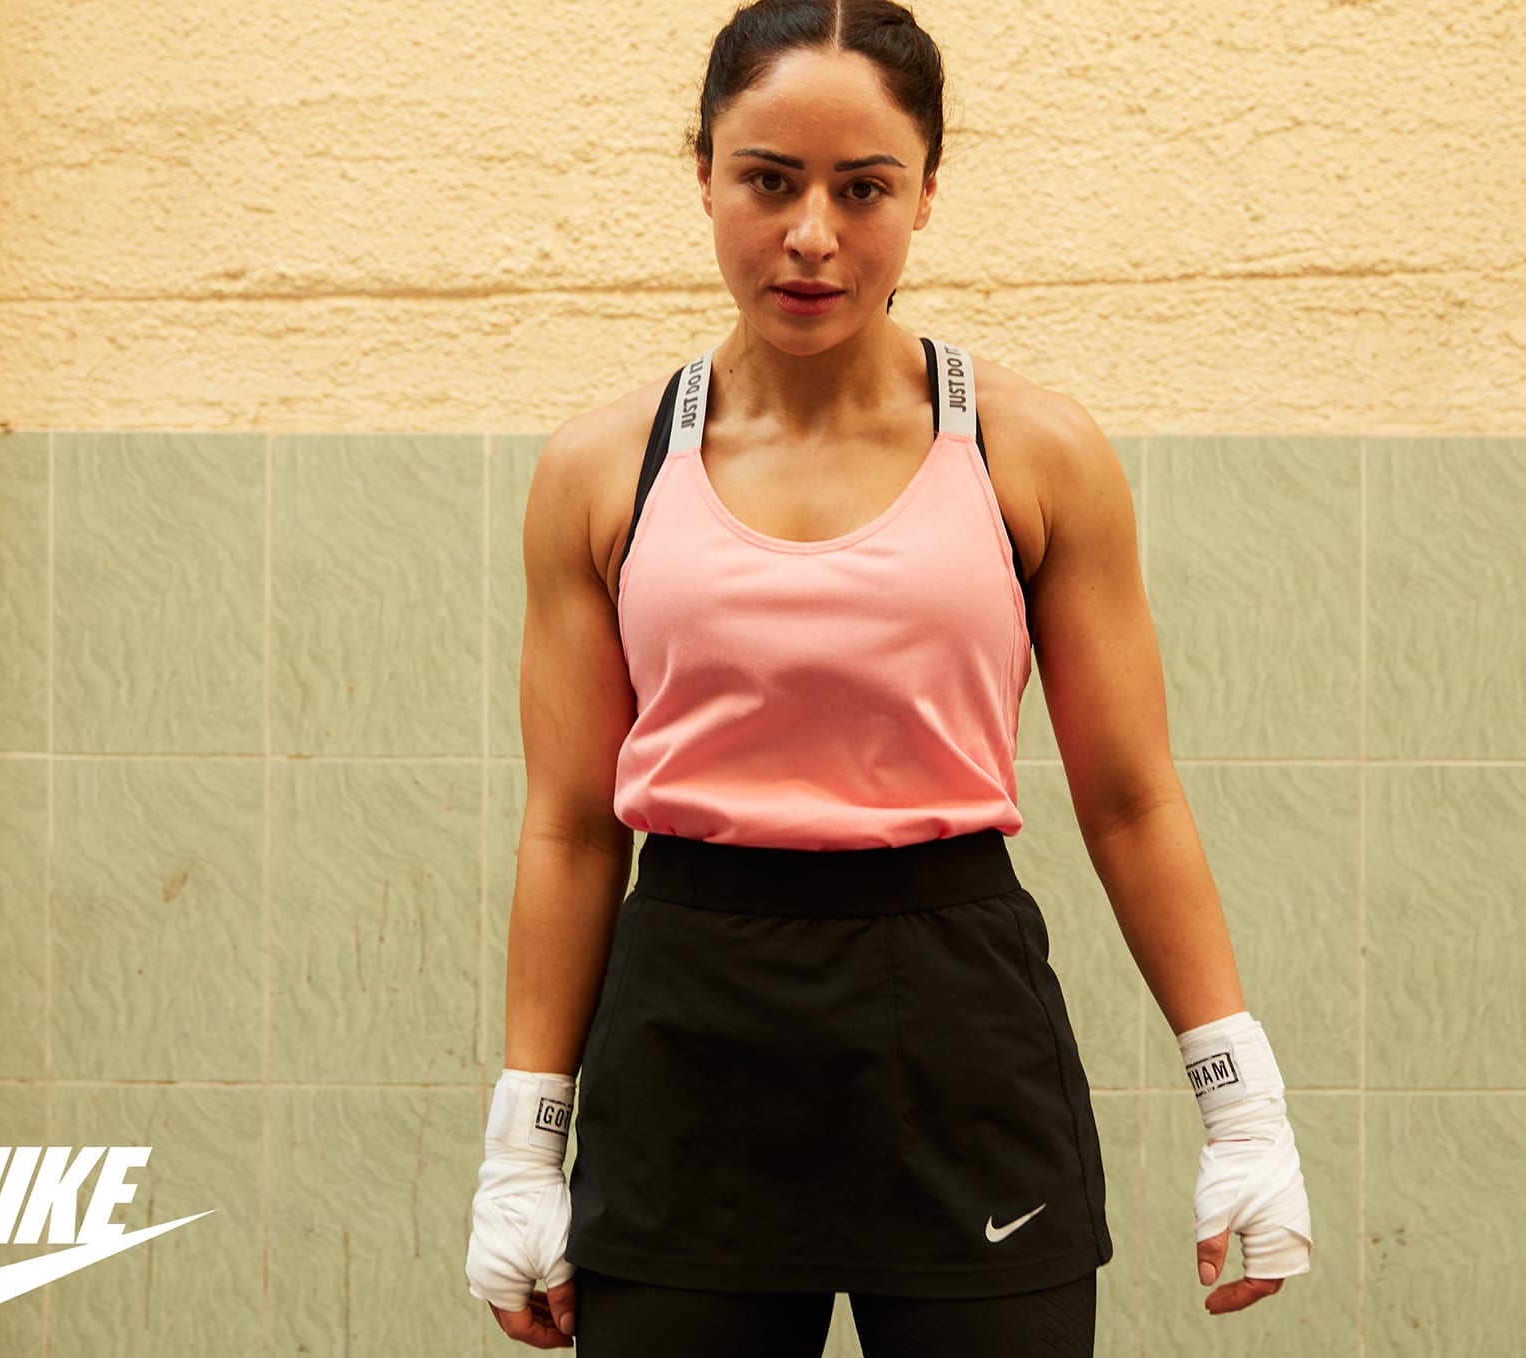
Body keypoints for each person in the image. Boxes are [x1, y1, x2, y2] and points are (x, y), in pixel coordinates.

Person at [463, 2, 1313, 1353]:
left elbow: (1132, 799)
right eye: (768, 181)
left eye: (862, 188)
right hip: (689, 1043)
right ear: (703, 174)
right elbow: (569, 827)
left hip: (957, 1031)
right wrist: (524, 1140)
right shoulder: (601, 469)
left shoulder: (1035, 452)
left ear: (925, 191)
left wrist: (1241, 1102)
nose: (811, 234)